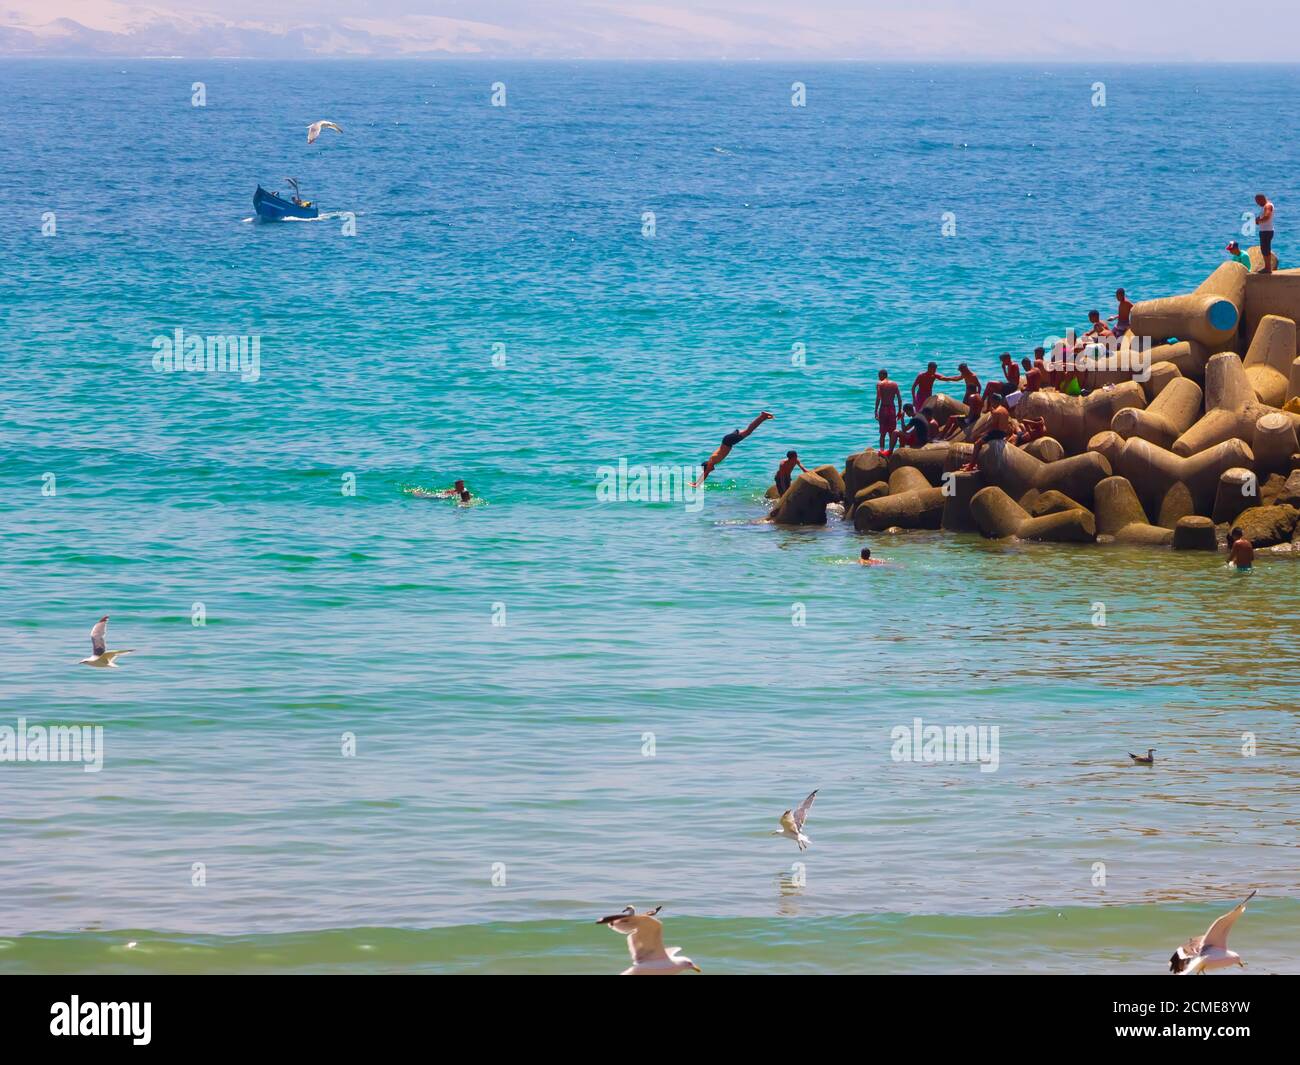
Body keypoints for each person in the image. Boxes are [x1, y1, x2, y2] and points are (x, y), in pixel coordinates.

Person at [691, 411, 773, 486]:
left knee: (748, 431)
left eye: (709, 470)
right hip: (728, 440)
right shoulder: (712, 460)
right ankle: (763, 418)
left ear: (707, 467)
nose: (712, 470)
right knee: (748, 431)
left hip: (729, 441)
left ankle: (762, 416)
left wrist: (697, 483)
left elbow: (706, 473)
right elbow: (706, 472)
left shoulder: (712, 460)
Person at [964, 394, 1012, 468]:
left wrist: (980, 433)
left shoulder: (997, 412)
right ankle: (973, 462)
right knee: (979, 440)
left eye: (991, 402)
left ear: (993, 401)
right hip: (1004, 432)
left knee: (977, 444)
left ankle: (971, 465)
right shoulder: (1004, 409)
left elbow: (992, 426)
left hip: (998, 433)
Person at [874, 370, 902, 452]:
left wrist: (875, 411)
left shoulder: (880, 384)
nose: (879, 377)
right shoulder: (894, 384)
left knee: (882, 433)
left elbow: (878, 398)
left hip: (883, 408)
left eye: (879, 375)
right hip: (892, 409)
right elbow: (899, 399)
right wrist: (899, 410)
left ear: (883, 375)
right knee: (892, 432)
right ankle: (891, 451)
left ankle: (882, 450)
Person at [1255, 194, 1275, 273]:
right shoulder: (1265, 206)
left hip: (1267, 231)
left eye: (1258, 201)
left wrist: (1258, 220)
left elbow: (1267, 217)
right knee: (1264, 249)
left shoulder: (1268, 206)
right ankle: (1267, 267)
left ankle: (1268, 268)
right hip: (1265, 231)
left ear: (1261, 199)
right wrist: (1258, 220)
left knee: (1265, 249)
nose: (1257, 204)